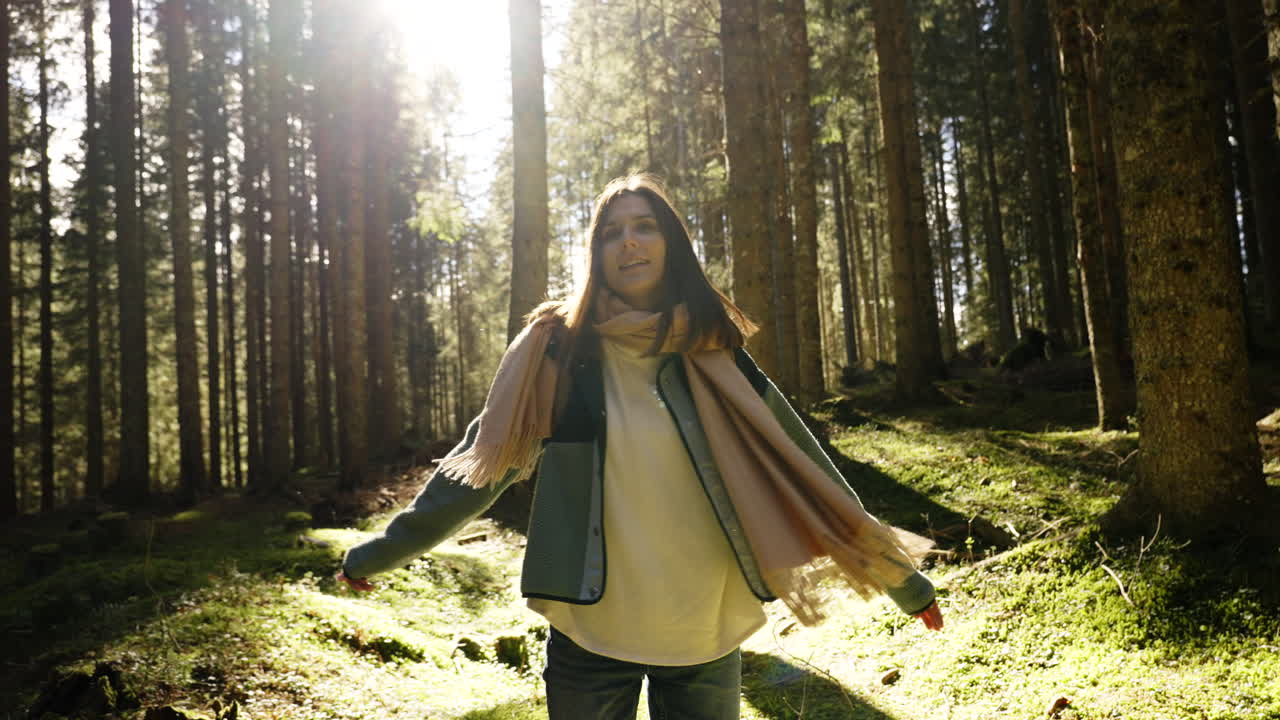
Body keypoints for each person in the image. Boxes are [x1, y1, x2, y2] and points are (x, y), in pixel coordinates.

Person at [337, 173, 943, 719]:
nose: (629, 242)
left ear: (670, 245)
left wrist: (904, 583)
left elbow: (805, 466)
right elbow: (474, 469)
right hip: (588, 627)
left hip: (703, 628)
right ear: (595, 254)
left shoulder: (713, 349)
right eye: (612, 232)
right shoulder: (560, 352)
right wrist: (379, 553)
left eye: (645, 227)